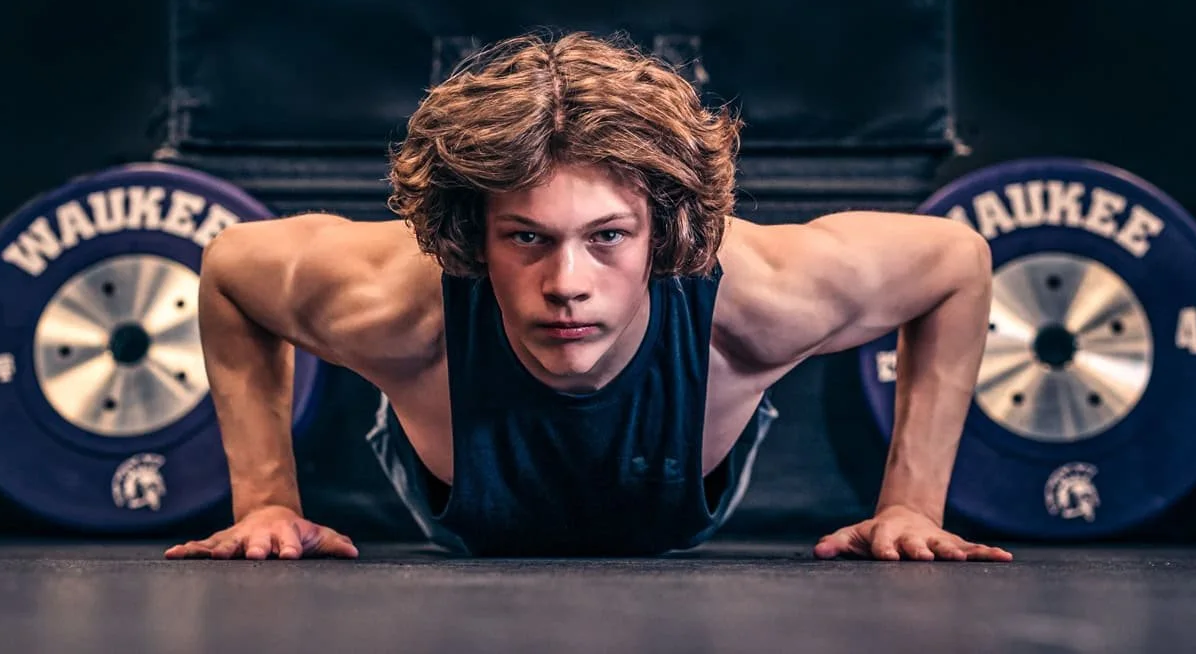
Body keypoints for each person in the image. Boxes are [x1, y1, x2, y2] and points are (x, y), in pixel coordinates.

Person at [164, 32, 1011, 562]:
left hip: (677, 492)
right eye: (525, 237)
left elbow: (956, 262)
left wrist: (909, 505)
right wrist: (268, 500)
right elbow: (235, 267)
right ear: (472, 238)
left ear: (663, 234)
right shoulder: (398, 302)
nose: (566, 284)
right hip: (458, 500)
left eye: (607, 237)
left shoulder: (762, 297)